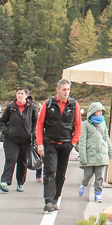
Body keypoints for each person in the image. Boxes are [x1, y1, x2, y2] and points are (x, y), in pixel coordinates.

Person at [36, 79, 82, 212]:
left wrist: (73, 142)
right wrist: (40, 143)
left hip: (66, 144)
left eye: (68, 89)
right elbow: (40, 124)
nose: (66, 92)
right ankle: (48, 200)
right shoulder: (49, 103)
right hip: (50, 142)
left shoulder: (73, 105)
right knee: (50, 170)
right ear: (58, 90)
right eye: (64, 89)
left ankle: (55, 198)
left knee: (61, 174)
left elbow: (78, 124)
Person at [0, 86, 39, 193]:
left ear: (27, 95)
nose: (20, 96)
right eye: (18, 93)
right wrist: (6, 131)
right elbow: (2, 122)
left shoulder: (32, 108)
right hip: (11, 139)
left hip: (26, 140)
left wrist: (34, 134)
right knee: (11, 159)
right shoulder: (11, 108)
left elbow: (37, 123)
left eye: (22, 93)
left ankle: (20, 183)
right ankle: (5, 181)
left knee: (22, 162)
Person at [78, 101, 112, 203]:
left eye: (101, 111)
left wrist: (110, 151)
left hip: (101, 154)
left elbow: (106, 138)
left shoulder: (103, 123)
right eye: (98, 111)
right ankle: (84, 184)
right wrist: (83, 156)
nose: (100, 113)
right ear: (93, 112)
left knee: (99, 176)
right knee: (88, 174)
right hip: (90, 154)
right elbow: (82, 141)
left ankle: (98, 193)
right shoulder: (86, 124)